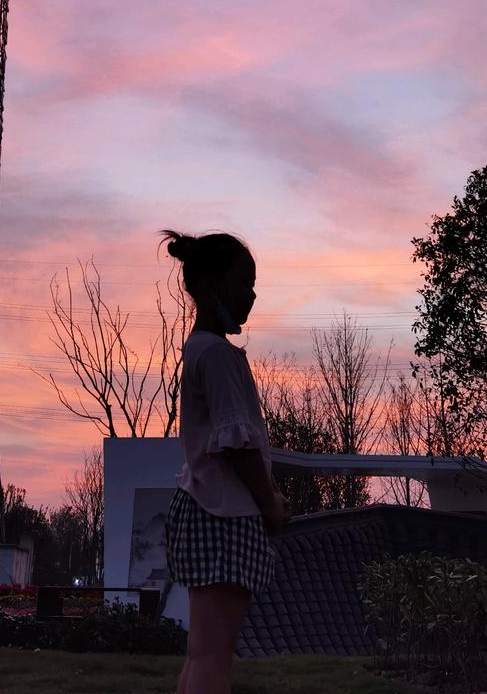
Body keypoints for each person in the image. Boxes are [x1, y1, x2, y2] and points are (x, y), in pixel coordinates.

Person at [160, 230, 291, 694]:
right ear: (214, 283)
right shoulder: (218, 356)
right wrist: (270, 502)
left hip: (202, 510)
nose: (251, 295)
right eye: (243, 282)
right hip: (225, 516)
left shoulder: (197, 349)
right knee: (215, 657)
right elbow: (236, 445)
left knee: (202, 653)